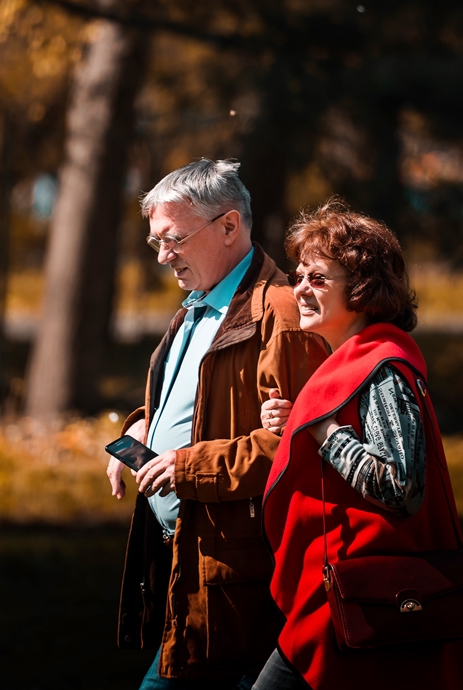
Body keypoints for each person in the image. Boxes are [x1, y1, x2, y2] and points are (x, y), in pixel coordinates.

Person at [252, 200, 463, 690]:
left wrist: (321, 429)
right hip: (350, 594)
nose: (299, 288)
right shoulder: (357, 364)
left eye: (318, 278)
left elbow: (400, 486)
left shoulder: (381, 369)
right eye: (298, 275)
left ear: (362, 290)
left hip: (361, 599)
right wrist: (302, 420)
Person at [107, 160, 330, 689]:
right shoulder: (196, 306)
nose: (163, 256)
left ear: (229, 226)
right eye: (155, 241)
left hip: (239, 574)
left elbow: (297, 444)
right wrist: (141, 429)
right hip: (188, 562)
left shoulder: (280, 309)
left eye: (175, 239)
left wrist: (185, 466)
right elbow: (192, 402)